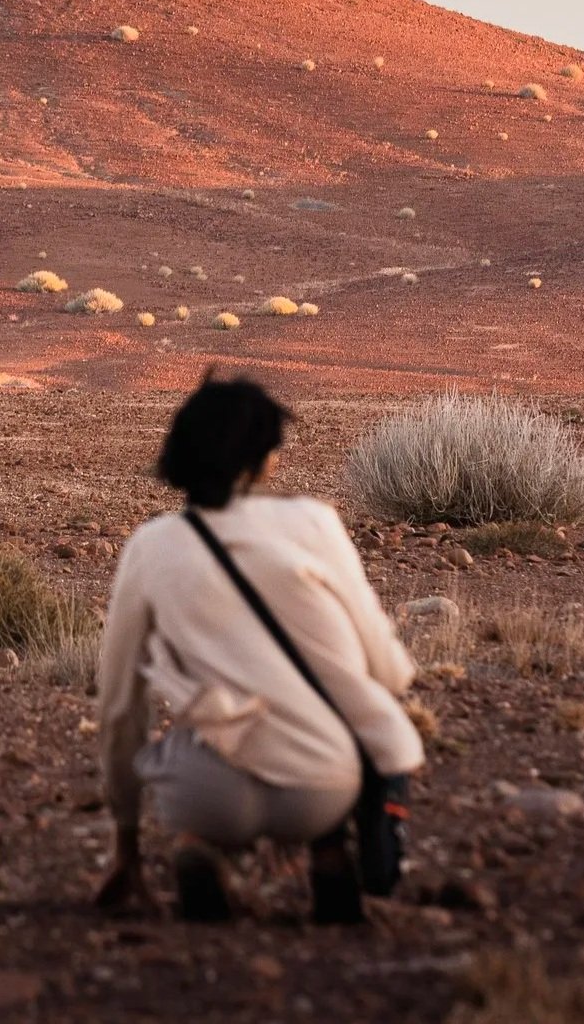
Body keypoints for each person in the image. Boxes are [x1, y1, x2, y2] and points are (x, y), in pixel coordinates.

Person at [93, 375, 425, 923]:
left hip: (206, 789)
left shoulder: (150, 547)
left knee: (192, 752)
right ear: (263, 458)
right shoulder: (314, 523)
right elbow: (387, 669)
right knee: (334, 782)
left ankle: (198, 848)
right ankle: (329, 850)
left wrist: (125, 844)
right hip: (325, 779)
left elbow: (121, 709)